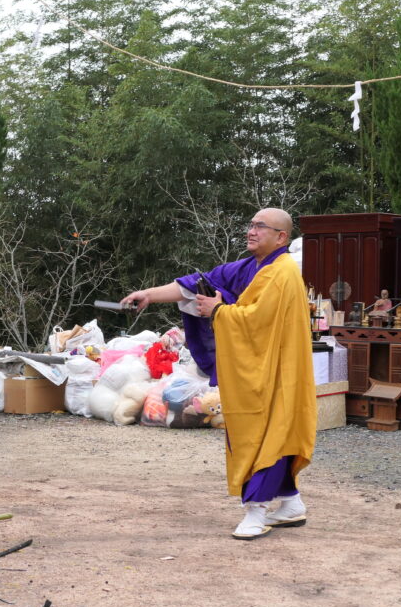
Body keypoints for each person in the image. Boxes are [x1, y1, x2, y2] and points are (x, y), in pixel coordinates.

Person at [121, 208, 316, 540]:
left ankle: (256, 511)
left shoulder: (283, 273)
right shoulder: (245, 269)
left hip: (277, 373)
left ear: (281, 237)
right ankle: (292, 504)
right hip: (255, 371)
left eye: (260, 227)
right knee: (270, 433)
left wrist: (220, 311)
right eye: (250, 225)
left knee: (265, 436)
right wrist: (150, 296)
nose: (251, 231)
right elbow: (196, 285)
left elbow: (259, 321)